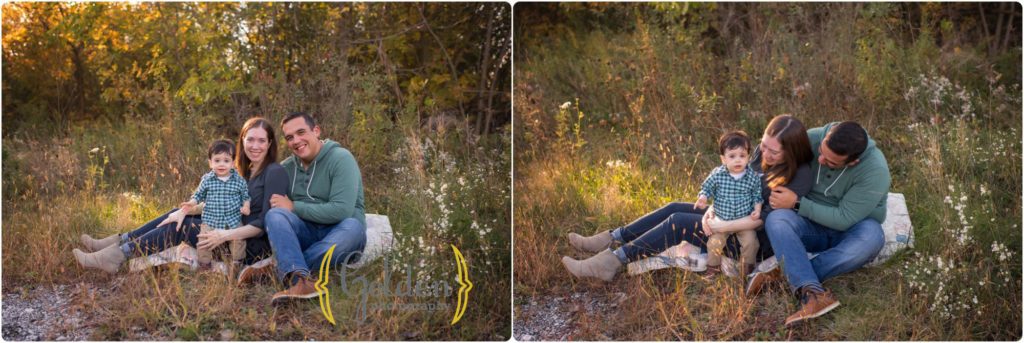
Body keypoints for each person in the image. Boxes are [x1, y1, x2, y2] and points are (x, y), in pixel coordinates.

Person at [562, 115, 814, 282]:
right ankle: (610, 239)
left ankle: (611, 262)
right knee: (674, 207)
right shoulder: (763, 153)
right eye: (763, 145)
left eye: (773, 150)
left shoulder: (797, 175)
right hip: (732, 216)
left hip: (751, 239)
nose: (764, 153)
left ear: (791, 150)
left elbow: (763, 221)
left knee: (679, 221)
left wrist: (720, 226)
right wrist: (711, 211)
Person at [74, 117, 290, 279]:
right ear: (242, 141)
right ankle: (119, 241)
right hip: (227, 229)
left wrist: (223, 235)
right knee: (176, 216)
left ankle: (116, 256)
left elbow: (263, 224)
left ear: (270, 144)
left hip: (247, 244)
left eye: (262, 140)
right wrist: (185, 210)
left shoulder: (274, 172)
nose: (255, 145)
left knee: (180, 228)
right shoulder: (244, 172)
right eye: (250, 139)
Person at [747, 121, 889, 326]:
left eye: (831, 162)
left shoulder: (875, 170)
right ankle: (811, 291)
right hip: (807, 224)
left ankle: (788, 276)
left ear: (852, 162)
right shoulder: (811, 138)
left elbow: (844, 219)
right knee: (777, 219)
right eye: (821, 152)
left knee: (872, 237)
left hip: (850, 228)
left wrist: (797, 203)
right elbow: (767, 158)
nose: (820, 160)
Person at [263, 112, 367, 304]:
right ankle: (301, 282)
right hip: (307, 232)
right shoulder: (286, 168)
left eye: (301, 132)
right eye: (290, 137)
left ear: (316, 131)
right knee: (275, 215)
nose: (296, 140)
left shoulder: (341, 158)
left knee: (352, 228)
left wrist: (294, 207)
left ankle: (285, 267)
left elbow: (341, 211)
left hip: (340, 230)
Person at [693, 131, 763, 278]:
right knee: (714, 243)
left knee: (751, 243)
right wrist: (703, 198)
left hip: (744, 220)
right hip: (722, 218)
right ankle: (713, 268)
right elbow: (707, 187)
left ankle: (747, 271)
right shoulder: (718, 174)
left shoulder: (752, 177)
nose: (738, 160)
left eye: (742, 156)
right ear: (723, 159)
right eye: (732, 156)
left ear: (748, 157)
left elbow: (757, 195)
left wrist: (757, 210)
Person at [178, 139, 251, 269]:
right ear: (210, 163)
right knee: (204, 242)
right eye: (217, 160)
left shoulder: (239, 181)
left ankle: (236, 265)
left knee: (238, 241)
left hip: (233, 219)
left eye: (226, 160)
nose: (221, 164)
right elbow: (198, 195)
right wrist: (192, 202)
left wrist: (246, 206)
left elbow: (246, 196)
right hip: (210, 220)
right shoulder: (207, 179)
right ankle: (204, 264)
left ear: (233, 163)